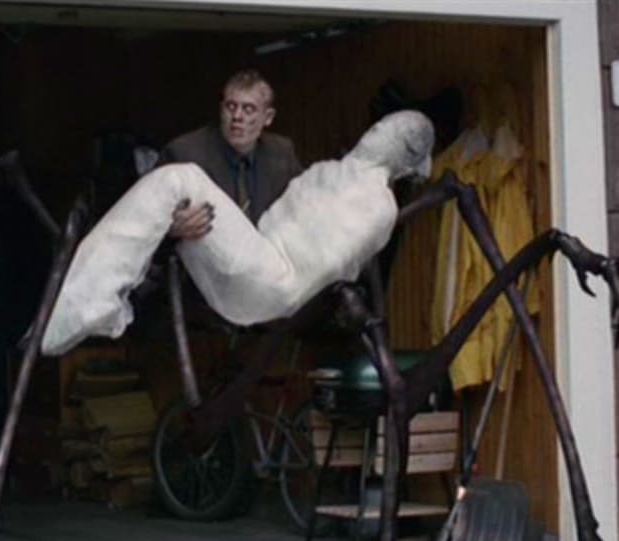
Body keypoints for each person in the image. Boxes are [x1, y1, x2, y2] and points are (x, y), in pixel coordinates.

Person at [40, 110, 434, 356]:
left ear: (402, 153)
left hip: (272, 283)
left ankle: (86, 307)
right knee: (173, 195)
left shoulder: (378, 203)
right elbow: (278, 222)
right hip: (259, 264)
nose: (373, 131)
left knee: (180, 179)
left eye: (385, 130)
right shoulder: (333, 172)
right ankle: (84, 301)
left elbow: (335, 262)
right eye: (378, 124)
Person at [161, 69, 303, 239]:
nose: (237, 116)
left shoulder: (281, 152)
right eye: (231, 106)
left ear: (268, 117)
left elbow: (302, 209)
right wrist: (171, 229)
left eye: (248, 109)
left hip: (266, 252)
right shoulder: (183, 153)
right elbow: (145, 221)